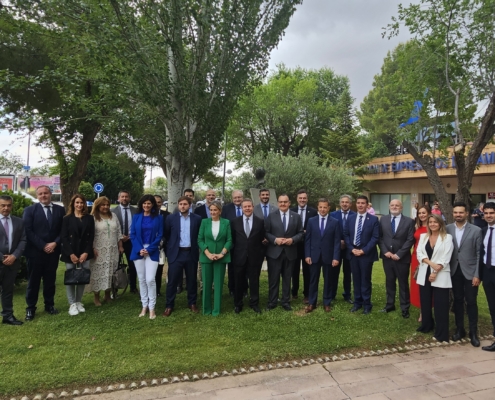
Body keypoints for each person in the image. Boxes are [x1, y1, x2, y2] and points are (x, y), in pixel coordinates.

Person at [23, 185, 65, 321]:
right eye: (40, 194)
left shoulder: (60, 210)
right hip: (35, 253)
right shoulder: (29, 210)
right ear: (37, 196)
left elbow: (63, 230)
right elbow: (28, 231)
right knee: (33, 282)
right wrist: (43, 245)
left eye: (45, 193)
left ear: (50, 194)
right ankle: (30, 308)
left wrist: (55, 243)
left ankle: (49, 305)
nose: (43, 196)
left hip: (53, 252)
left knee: (50, 281)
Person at [446, 202, 482, 346]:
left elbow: (479, 254)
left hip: (471, 272)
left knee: (471, 302)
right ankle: (460, 329)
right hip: (454, 271)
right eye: (455, 212)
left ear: (466, 213)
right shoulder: (447, 229)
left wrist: (477, 274)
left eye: (461, 212)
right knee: (458, 301)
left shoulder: (476, 230)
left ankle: (474, 333)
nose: (458, 215)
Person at [416, 214, 454, 342]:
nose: (432, 224)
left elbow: (446, 258)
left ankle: (441, 333)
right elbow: (419, 254)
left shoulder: (447, 238)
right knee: (425, 301)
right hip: (425, 271)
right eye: (430, 222)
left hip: (440, 273)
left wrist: (435, 271)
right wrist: (431, 265)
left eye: (435, 222)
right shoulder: (423, 237)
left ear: (440, 224)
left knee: (440, 304)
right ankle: (426, 325)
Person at [163, 196, 202, 316]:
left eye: (185, 204)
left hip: (191, 253)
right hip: (176, 253)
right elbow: (166, 235)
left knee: (191, 280)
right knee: (172, 281)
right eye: (180, 204)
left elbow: (199, 235)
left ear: (190, 205)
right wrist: (169, 251)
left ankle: (192, 303)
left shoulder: (197, 219)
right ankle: (169, 305)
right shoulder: (171, 218)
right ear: (178, 205)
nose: (182, 206)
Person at [264, 194, 303, 311]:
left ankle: (286, 301)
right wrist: (275, 240)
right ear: (277, 203)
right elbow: (266, 232)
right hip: (274, 253)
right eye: (280, 202)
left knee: (287, 278)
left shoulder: (296, 216)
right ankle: (272, 301)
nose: (283, 204)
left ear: (289, 203)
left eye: (285, 202)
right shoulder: (271, 216)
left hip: (290, 253)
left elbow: (301, 233)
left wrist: (293, 240)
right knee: (273, 279)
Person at [378, 199, 415, 318]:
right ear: (389, 206)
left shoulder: (409, 221)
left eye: (397, 205)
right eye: (392, 205)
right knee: (389, 281)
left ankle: (405, 308)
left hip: (402, 258)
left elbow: (410, 240)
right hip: (387, 257)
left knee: (403, 283)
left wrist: (399, 254)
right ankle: (390, 305)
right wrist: (385, 252)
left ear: (402, 207)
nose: (394, 207)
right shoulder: (383, 219)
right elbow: (380, 238)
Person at [343, 195, 379, 315]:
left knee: (365, 279)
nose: (360, 205)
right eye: (358, 203)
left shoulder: (373, 219)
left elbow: (375, 238)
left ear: (367, 205)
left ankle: (367, 304)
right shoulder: (351, 218)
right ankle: (357, 302)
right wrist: (352, 249)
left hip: (366, 254)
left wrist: (363, 250)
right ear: (355, 204)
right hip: (353, 253)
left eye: (363, 203)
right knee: (356, 278)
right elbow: (346, 235)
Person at [60, 194, 95, 316]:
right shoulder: (66, 219)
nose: (79, 205)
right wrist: (71, 254)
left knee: (82, 277)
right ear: (73, 204)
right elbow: (63, 237)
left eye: (82, 203)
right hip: (70, 253)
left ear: (85, 204)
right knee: (71, 278)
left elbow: (91, 237)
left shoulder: (89, 218)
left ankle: (79, 302)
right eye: (77, 202)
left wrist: (86, 252)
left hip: (85, 252)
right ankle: (72, 304)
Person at [304, 198, 341, 313]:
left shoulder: (335, 222)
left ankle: (327, 302)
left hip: (328, 256)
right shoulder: (311, 221)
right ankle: (312, 302)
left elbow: (336, 242)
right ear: (317, 208)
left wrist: (336, 257)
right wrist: (307, 255)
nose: (322, 209)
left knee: (328, 280)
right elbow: (308, 240)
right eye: (320, 207)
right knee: (313, 280)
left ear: (329, 208)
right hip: (314, 255)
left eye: (325, 207)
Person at [130, 195, 163, 320]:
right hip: (138, 251)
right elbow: (132, 234)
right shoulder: (136, 217)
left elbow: (159, 235)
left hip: (152, 251)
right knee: (142, 279)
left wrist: (149, 249)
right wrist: (140, 249)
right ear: (141, 205)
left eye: (149, 204)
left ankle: (152, 307)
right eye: (144, 204)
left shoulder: (158, 218)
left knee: (150, 279)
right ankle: (144, 305)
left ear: (153, 205)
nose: (146, 206)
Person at [230, 198, 266, 314]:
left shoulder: (260, 221)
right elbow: (233, 240)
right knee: (239, 281)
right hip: (239, 256)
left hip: (254, 257)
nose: (247, 208)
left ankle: (254, 303)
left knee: (254, 281)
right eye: (245, 207)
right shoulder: (235, 222)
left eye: (249, 206)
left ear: (253, 207)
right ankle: (238, 304)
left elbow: (262, 239)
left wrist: (260, 254)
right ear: (242, 208)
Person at [198, 200, 232, 316]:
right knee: (206, 284)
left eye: (215, 210)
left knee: (218, 284)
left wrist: (222, 253)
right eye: (211, 210)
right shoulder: (204, 222)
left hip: (220, 257)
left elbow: (229, 240)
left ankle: (216, 310)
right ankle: (206, 309)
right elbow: (200, 240)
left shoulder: (226, 223)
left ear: (220, 211)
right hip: (207, 257)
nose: (213, 212)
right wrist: (207, 253)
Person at [88, 196, 124, 306]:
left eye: (107, 205)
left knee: (111, 272)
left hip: (113, 249)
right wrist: (92, 248)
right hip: (98, 250)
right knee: (98, 273)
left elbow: (118, 232)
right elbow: (89, 235)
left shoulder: (114, 216)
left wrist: (120, 246)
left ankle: (107, 295)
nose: (105, 207)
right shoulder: (92, 217)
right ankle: (96, 297)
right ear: (98, 206)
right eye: (103, 205)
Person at [0, 195, 27, 325]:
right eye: (3, 205)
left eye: (8, 205)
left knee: (8, 290)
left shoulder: (19, 222)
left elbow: (23, 240)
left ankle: (8, 316)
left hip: (12, 262)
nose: (6, 208)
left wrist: (14, 256)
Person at [290, 189, 317, 303]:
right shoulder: (291, 211)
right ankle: (294, 292)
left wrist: (307, 232)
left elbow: (315, 228)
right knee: (294, 270)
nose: (302, 200)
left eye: (304, 198)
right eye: (300, 198)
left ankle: (307, 294)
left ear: (307, 199)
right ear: (297, 199)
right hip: (294, 246)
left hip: (307, 245)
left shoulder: (313, 211)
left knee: (307, 271)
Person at [330, 195, 355, 304]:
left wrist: (347, 242)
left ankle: (347, 294)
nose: (345, 204)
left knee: (348, 272)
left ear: (350, 204)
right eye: (343, 202)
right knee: (334, 272)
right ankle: (332, 294)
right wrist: (338, 241)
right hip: (336, 248)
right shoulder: (332, 215)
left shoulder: (355, 215)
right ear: (340, 203)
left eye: (347, 202)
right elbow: (329, 231)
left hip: (349, 249)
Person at [111, 190, 138, 293]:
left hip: (132, 241)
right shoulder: (113, 211)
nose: (124, 198)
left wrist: (131, 236)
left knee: (133, 264)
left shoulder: (136, 210)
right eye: (122, 197)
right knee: (116, 265)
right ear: (118, 198)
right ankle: (115, 287)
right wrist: (120, 237)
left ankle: (133, 287)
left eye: (126, 196)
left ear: (129, 198)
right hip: (117, 241)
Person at [221, 189, 244, 296]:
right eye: (235, 197)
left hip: (244, 243)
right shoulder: (226, 209)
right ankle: (232, 288)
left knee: (245, 266)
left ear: (242, 198)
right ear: (232, 198)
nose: (237, 199)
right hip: (231, 243)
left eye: (239, 197)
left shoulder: (247, 207)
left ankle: (244, 289)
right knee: (231, 267)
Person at [480, 202, 495, 351]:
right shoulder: (483, 231)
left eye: (492, 213)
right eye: (487, 213)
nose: (489, 216)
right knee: (492, 307)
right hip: (487, 272)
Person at [410, 205, 429, 317]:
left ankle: (429, 308)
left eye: (424, 213)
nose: (421, 215)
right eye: (419, 213)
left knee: (428, 283)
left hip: (428, 258)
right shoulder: (416, 227)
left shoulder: (433, 226)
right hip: (416, 258)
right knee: (418, 284)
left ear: (429, 213)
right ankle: (422, 310)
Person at [154, 195, 170, 297]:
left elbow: (169, 230)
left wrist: (163, 240)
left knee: (159, 269)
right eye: (154, 202)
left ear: (162, 203)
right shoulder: (146, 215)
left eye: (159, 202)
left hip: (162, 246)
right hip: (149, 246)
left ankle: (157, 289)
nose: (157, 204)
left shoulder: (167, 215)